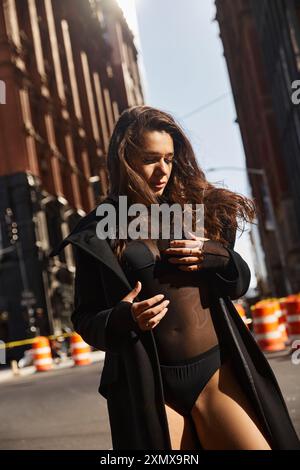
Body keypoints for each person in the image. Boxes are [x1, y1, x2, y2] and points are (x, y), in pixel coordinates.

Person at [51, 106, 300, 450]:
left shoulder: (195, 210)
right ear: (125, 159)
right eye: (151, 159)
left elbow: (239, 282)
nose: (163, 170)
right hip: (150, 387)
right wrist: (124, 317)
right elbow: (85, 317)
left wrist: (219, 255)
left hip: (215, 375)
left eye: (169, 158)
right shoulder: (98, 231)